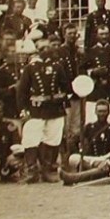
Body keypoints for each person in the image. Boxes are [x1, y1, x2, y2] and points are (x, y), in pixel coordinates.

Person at [16, 34, 70, 183]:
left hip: (54, 109)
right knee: (31, 139)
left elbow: (65, 87)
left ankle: (48, 169)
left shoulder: (58, 67)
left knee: (53, 139)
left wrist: (60, 99)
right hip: (36, 110)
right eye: (42, 48)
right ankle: (32, 170)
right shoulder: (30, 68)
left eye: (48, 48)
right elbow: (22, 92)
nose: (46, 51)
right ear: (37, 50)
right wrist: (23, 110)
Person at [0, 98, 22, 183]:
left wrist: (14, 155)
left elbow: (17, 143)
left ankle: (7, 174)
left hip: (5, 161)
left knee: (16, 160)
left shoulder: (9, 126)